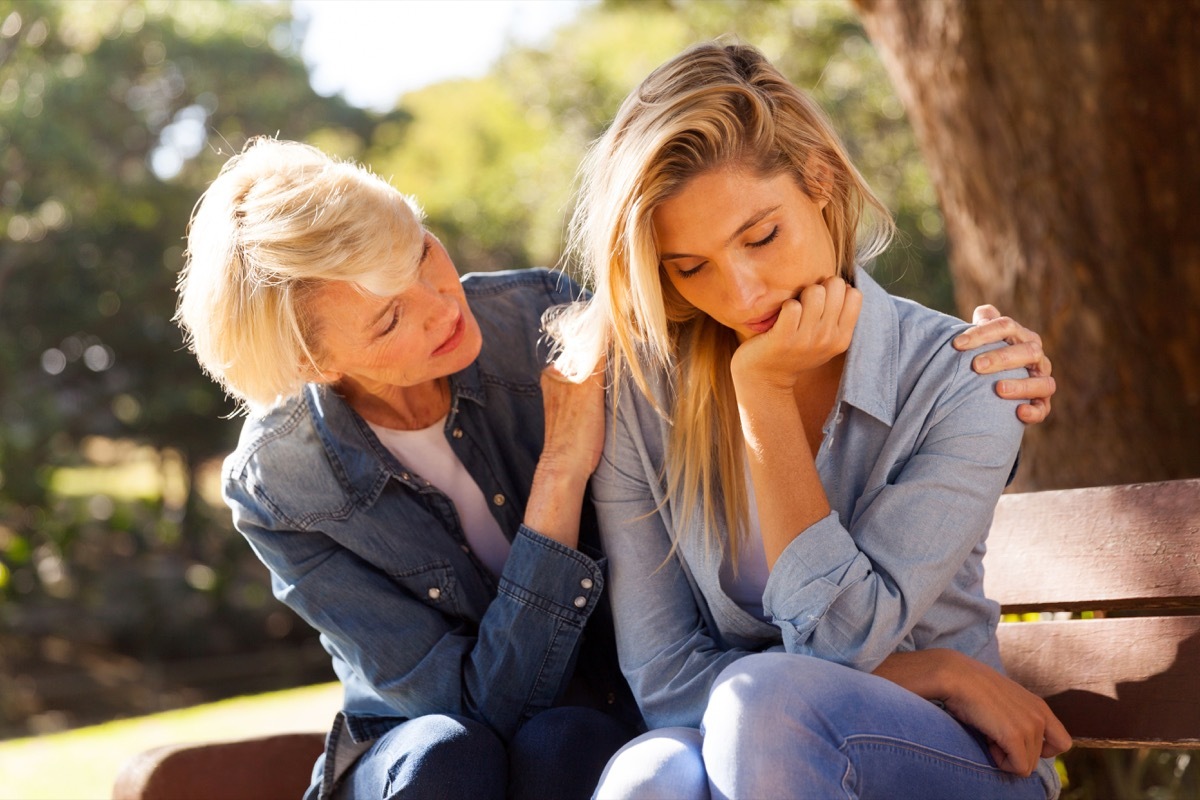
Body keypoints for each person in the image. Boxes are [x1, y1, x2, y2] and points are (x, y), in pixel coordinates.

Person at [174, 136, 1055, 798]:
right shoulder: (282, 485)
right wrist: (561, 474)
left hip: (626, 710)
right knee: (454, 758)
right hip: (437, 742)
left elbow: (727, 298)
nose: (440, 305)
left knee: (573, 743)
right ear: (315, 368)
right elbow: (463, 707)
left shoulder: (551, 322)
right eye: (385, 323)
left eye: (422, 254)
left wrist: (975, 371)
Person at [554, 42, 1071, 799]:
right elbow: (664, 679)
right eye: (689, 267)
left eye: (760, 236)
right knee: (648, 775)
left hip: (960, 758)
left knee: (767, 706)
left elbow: (842, 641)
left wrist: (762, 400)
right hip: (765, 745)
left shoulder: (965, 380)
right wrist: (933, 671)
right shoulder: (644, 396)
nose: (741, 292)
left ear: (819, 181)